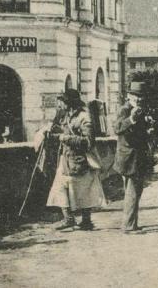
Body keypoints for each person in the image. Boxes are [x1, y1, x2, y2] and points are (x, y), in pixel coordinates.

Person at [47, 88, 105, 231]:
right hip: (66, 158)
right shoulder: (65, 116)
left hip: (80, 160)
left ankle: (86, 221)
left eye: (63, 102)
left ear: (70, 103)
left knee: (83, 191)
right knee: (60, 188)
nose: (60, 105)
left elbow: (89, 141)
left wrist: (64, 138)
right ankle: (69, 219)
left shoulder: (84, 117)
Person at [113, 82, 151, 233]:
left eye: (141, 96)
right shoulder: (125, 110)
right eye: (136, 96)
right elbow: (117, 128)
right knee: (133, 192)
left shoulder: (139, 110)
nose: (139, 99)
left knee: (135, 191)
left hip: (136, 157)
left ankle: (131, 223)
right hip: (129, 158)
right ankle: (128, 225)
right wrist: (132, 119)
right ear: (129, 96)